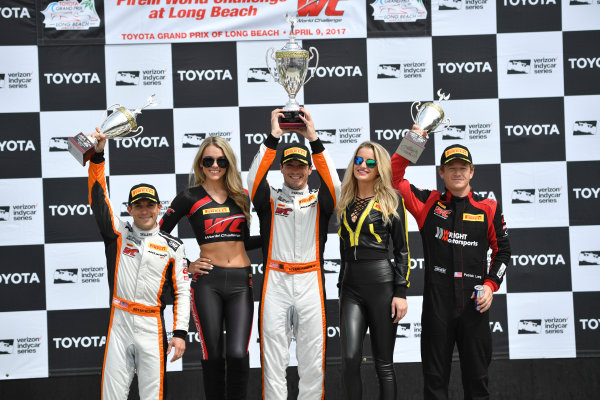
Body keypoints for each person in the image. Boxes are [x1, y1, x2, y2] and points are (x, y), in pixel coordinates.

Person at [391, 127, 511, 400]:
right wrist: (417, 135)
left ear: (471, 172)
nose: (457, 172)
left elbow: (503, 251)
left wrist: (491, 286)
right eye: (450, 167)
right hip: (438, 309)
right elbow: (392, 176)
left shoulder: (488, 207)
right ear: (441, 172)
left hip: (475, 307)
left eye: (463, 167)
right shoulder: (428, 203)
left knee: (478, 384)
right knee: (434, 386)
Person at [87, 129, 190, 400]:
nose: (145, 210)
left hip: (152, 325)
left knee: (152, 396)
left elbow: (182, 291)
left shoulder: (173, 247)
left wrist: (179, 333)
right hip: (120, 322)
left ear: (159, 208)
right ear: (129, 209)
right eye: (138, 206)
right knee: (111, 396)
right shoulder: (119, 235)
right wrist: (98, 157)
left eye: (150, 205)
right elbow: (99, 200)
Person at [247, 108, 341, 399]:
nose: (296, 170)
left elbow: (336, 188)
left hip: (310, 280)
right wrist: (273, 137)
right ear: (282, 168)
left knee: (313, 360)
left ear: (310, 169)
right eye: (290, 165)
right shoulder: (270, 199)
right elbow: (253, 180)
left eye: (302, 166)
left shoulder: (320, 199)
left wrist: (313, 139)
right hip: (275, 280)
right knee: (273, 360)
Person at [159, 136, 258, 400]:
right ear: (200, 164)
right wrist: (186, 264)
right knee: (212, 353)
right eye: (209, 160)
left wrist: (279, 239)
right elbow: (159, 237)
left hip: (240, 281)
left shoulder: (241, 196)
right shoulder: (188, 197)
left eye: (221, 160)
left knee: (238, 353)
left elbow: (244, 241)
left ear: (229, 163)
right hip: (207, 283)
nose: (215, 165)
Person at [337, 141, 411, 400]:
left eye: (370, 162)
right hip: (350, 287)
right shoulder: (344, 199)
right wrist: (341, 283)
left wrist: (400, 292)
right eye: (359, 161)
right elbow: (343, 247)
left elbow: (402, 249)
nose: (363, 166)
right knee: (349, 359)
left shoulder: (391, 199)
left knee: (384, 364)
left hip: (382, 284)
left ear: (379, 168)